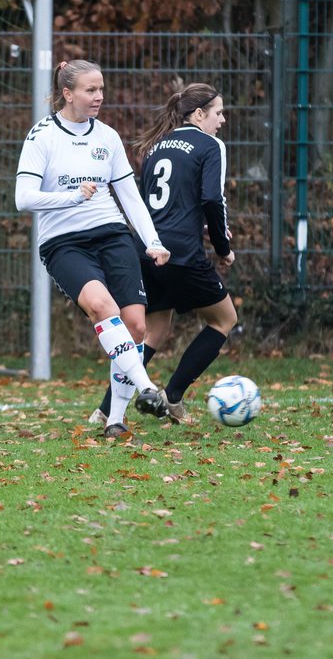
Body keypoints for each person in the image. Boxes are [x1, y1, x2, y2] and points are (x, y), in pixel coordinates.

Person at [15, 59, 171, 439]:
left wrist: (152, 241)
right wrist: (70, 198)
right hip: (64, 244)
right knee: (104, 308)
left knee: (135, 326)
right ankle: (148, 388)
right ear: (67, 94)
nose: (99, 96)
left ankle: (115, 420)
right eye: (90, 89)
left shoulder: (108, 137)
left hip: (113, 235)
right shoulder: (42, 136)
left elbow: (129, 195)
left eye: (101, 88)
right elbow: (23, 198)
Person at [88, 83, 238, 426]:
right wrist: (222, 248)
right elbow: (212, 200)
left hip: (147, 249)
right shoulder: (210, 145)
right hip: (182, 254)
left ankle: (105, 410)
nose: (223, 120)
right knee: (224, 319)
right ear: (199, 115)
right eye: (218, 112)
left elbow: (158, 204)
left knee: (153, 331)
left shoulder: (156, 146)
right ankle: (172, 396)